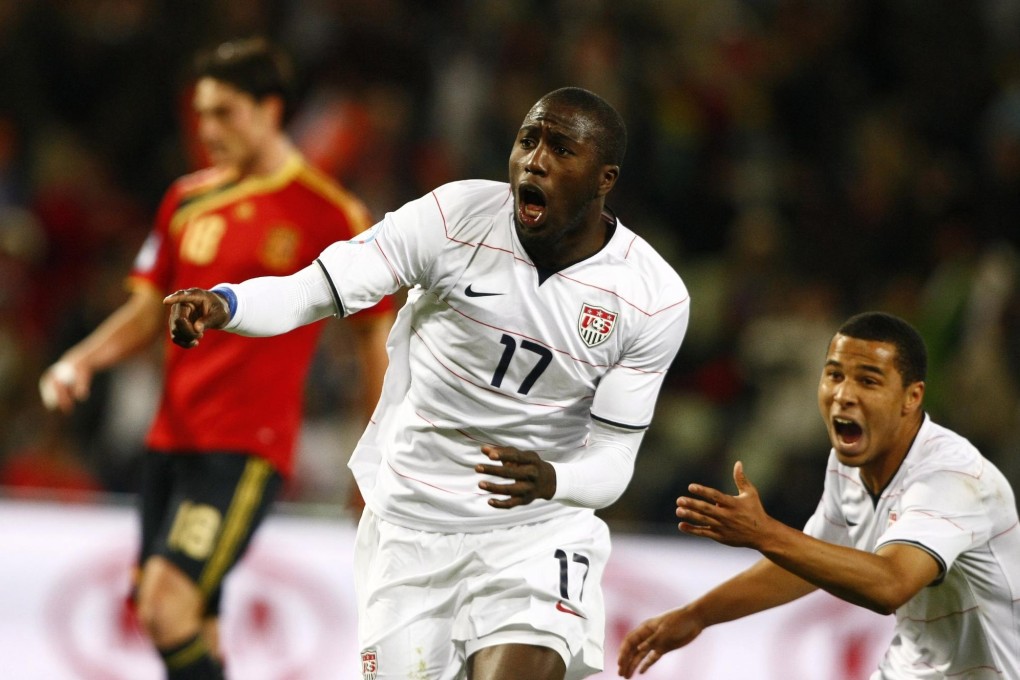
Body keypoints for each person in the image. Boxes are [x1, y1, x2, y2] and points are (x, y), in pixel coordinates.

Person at [163, 86, 691, 680]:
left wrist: (553, 480)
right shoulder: (452, 218)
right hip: (411, 523)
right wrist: (225, 303)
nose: (534, 161)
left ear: (604, 178)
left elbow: (616, 457)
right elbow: (313, 289)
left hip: (535, 529)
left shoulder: (651, 298)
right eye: (527, 141)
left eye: (561, 149)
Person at [38, 37, 393, 680]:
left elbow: (374, 333)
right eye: (200, 113)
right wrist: (81, 361)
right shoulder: (186, 200)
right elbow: (146, 309)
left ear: (270, 110)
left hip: (245, 447)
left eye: (224, 112)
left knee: (164, 606)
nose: (207, 129)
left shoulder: (330, 213)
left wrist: (376, 455)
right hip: (170, 437)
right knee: (188, 621)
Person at [618, 311, 1020, 679]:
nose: (843, 394)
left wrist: (763, 533)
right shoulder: (847, 464)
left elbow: (890, 585)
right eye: (834, 375)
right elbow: (804, 561)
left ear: (912, 397)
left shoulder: (952, 479)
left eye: (868, 380)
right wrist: (696, 615)